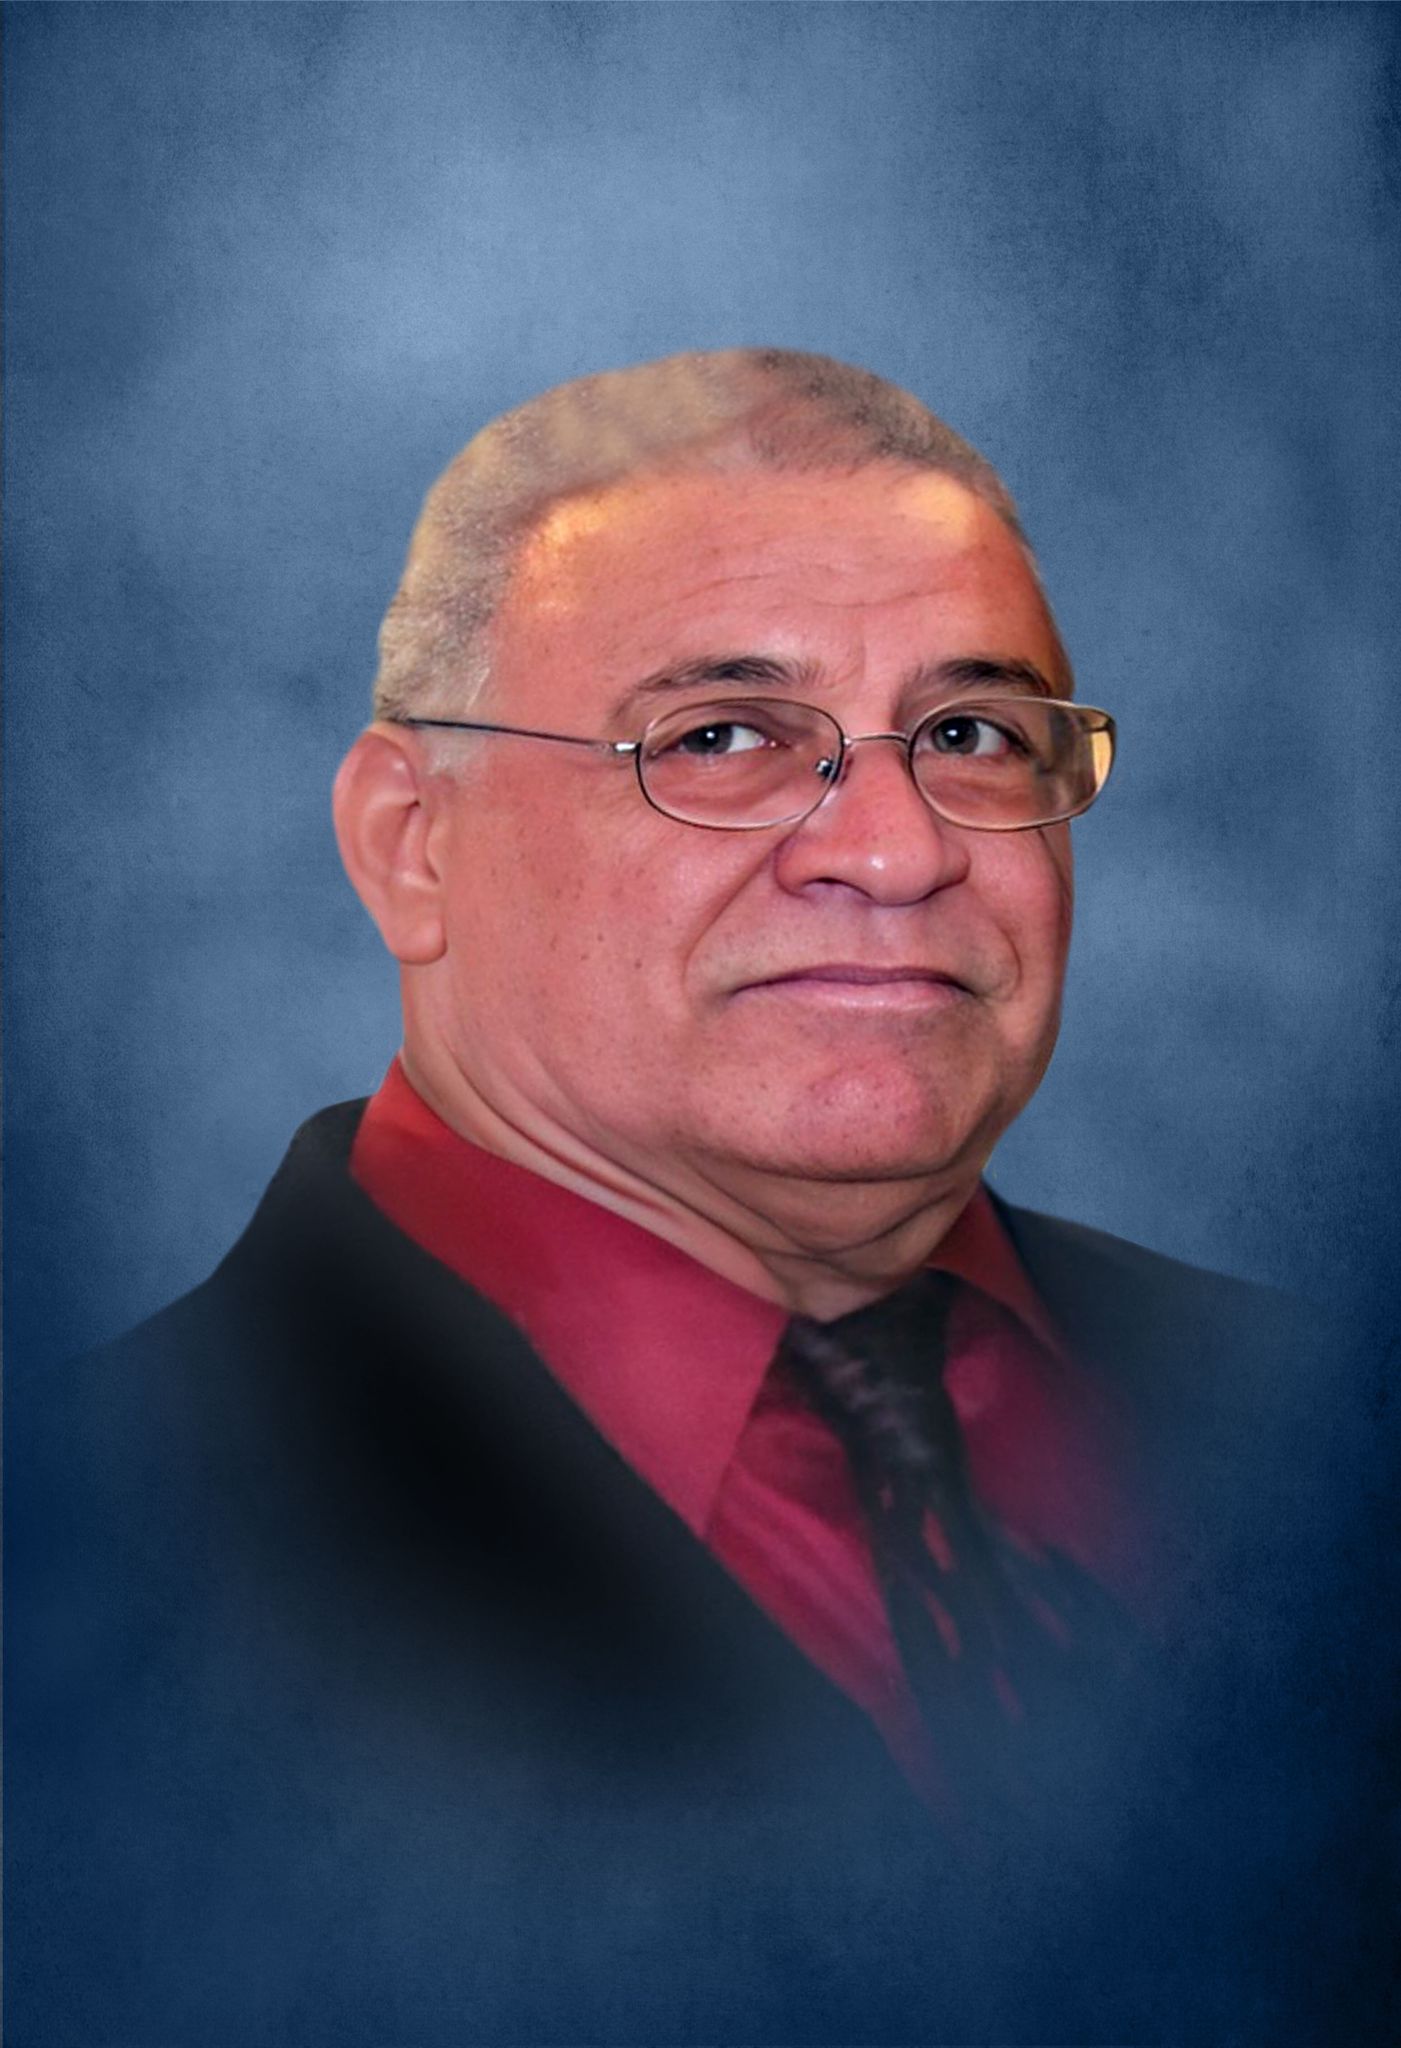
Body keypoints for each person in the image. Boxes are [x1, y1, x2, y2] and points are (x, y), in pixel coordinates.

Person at [6, 352, 1387, 2047]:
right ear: (411, 843)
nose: (896, 851)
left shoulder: (1318, 1427)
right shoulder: (77, 1569)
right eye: (721, 737)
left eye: (969, 735)